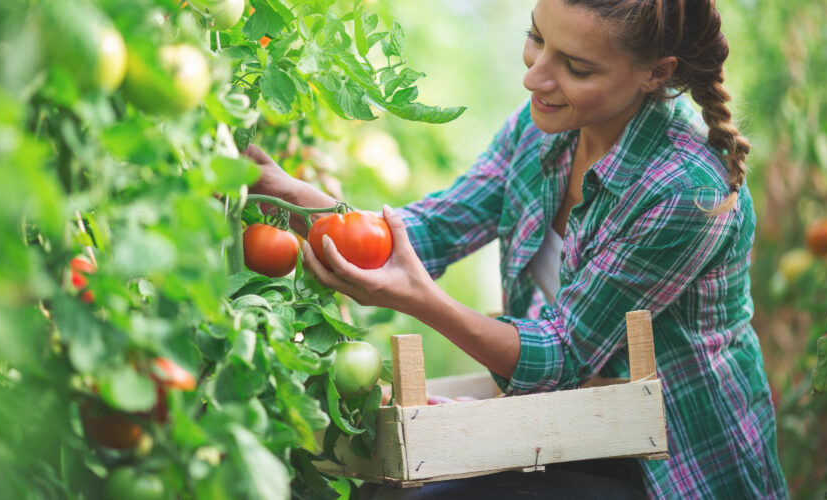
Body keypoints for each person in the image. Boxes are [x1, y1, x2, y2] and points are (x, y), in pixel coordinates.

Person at [244, 0, 788, 497]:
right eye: (536, 38)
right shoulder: (544, 131)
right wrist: (312, 206)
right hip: (565, 427)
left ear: (656, 73)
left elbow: (562, 356)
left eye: (576, 67)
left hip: (668, 465)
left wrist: (421, 301)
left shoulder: (687, 190)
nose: (534, 76)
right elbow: (434, 227)